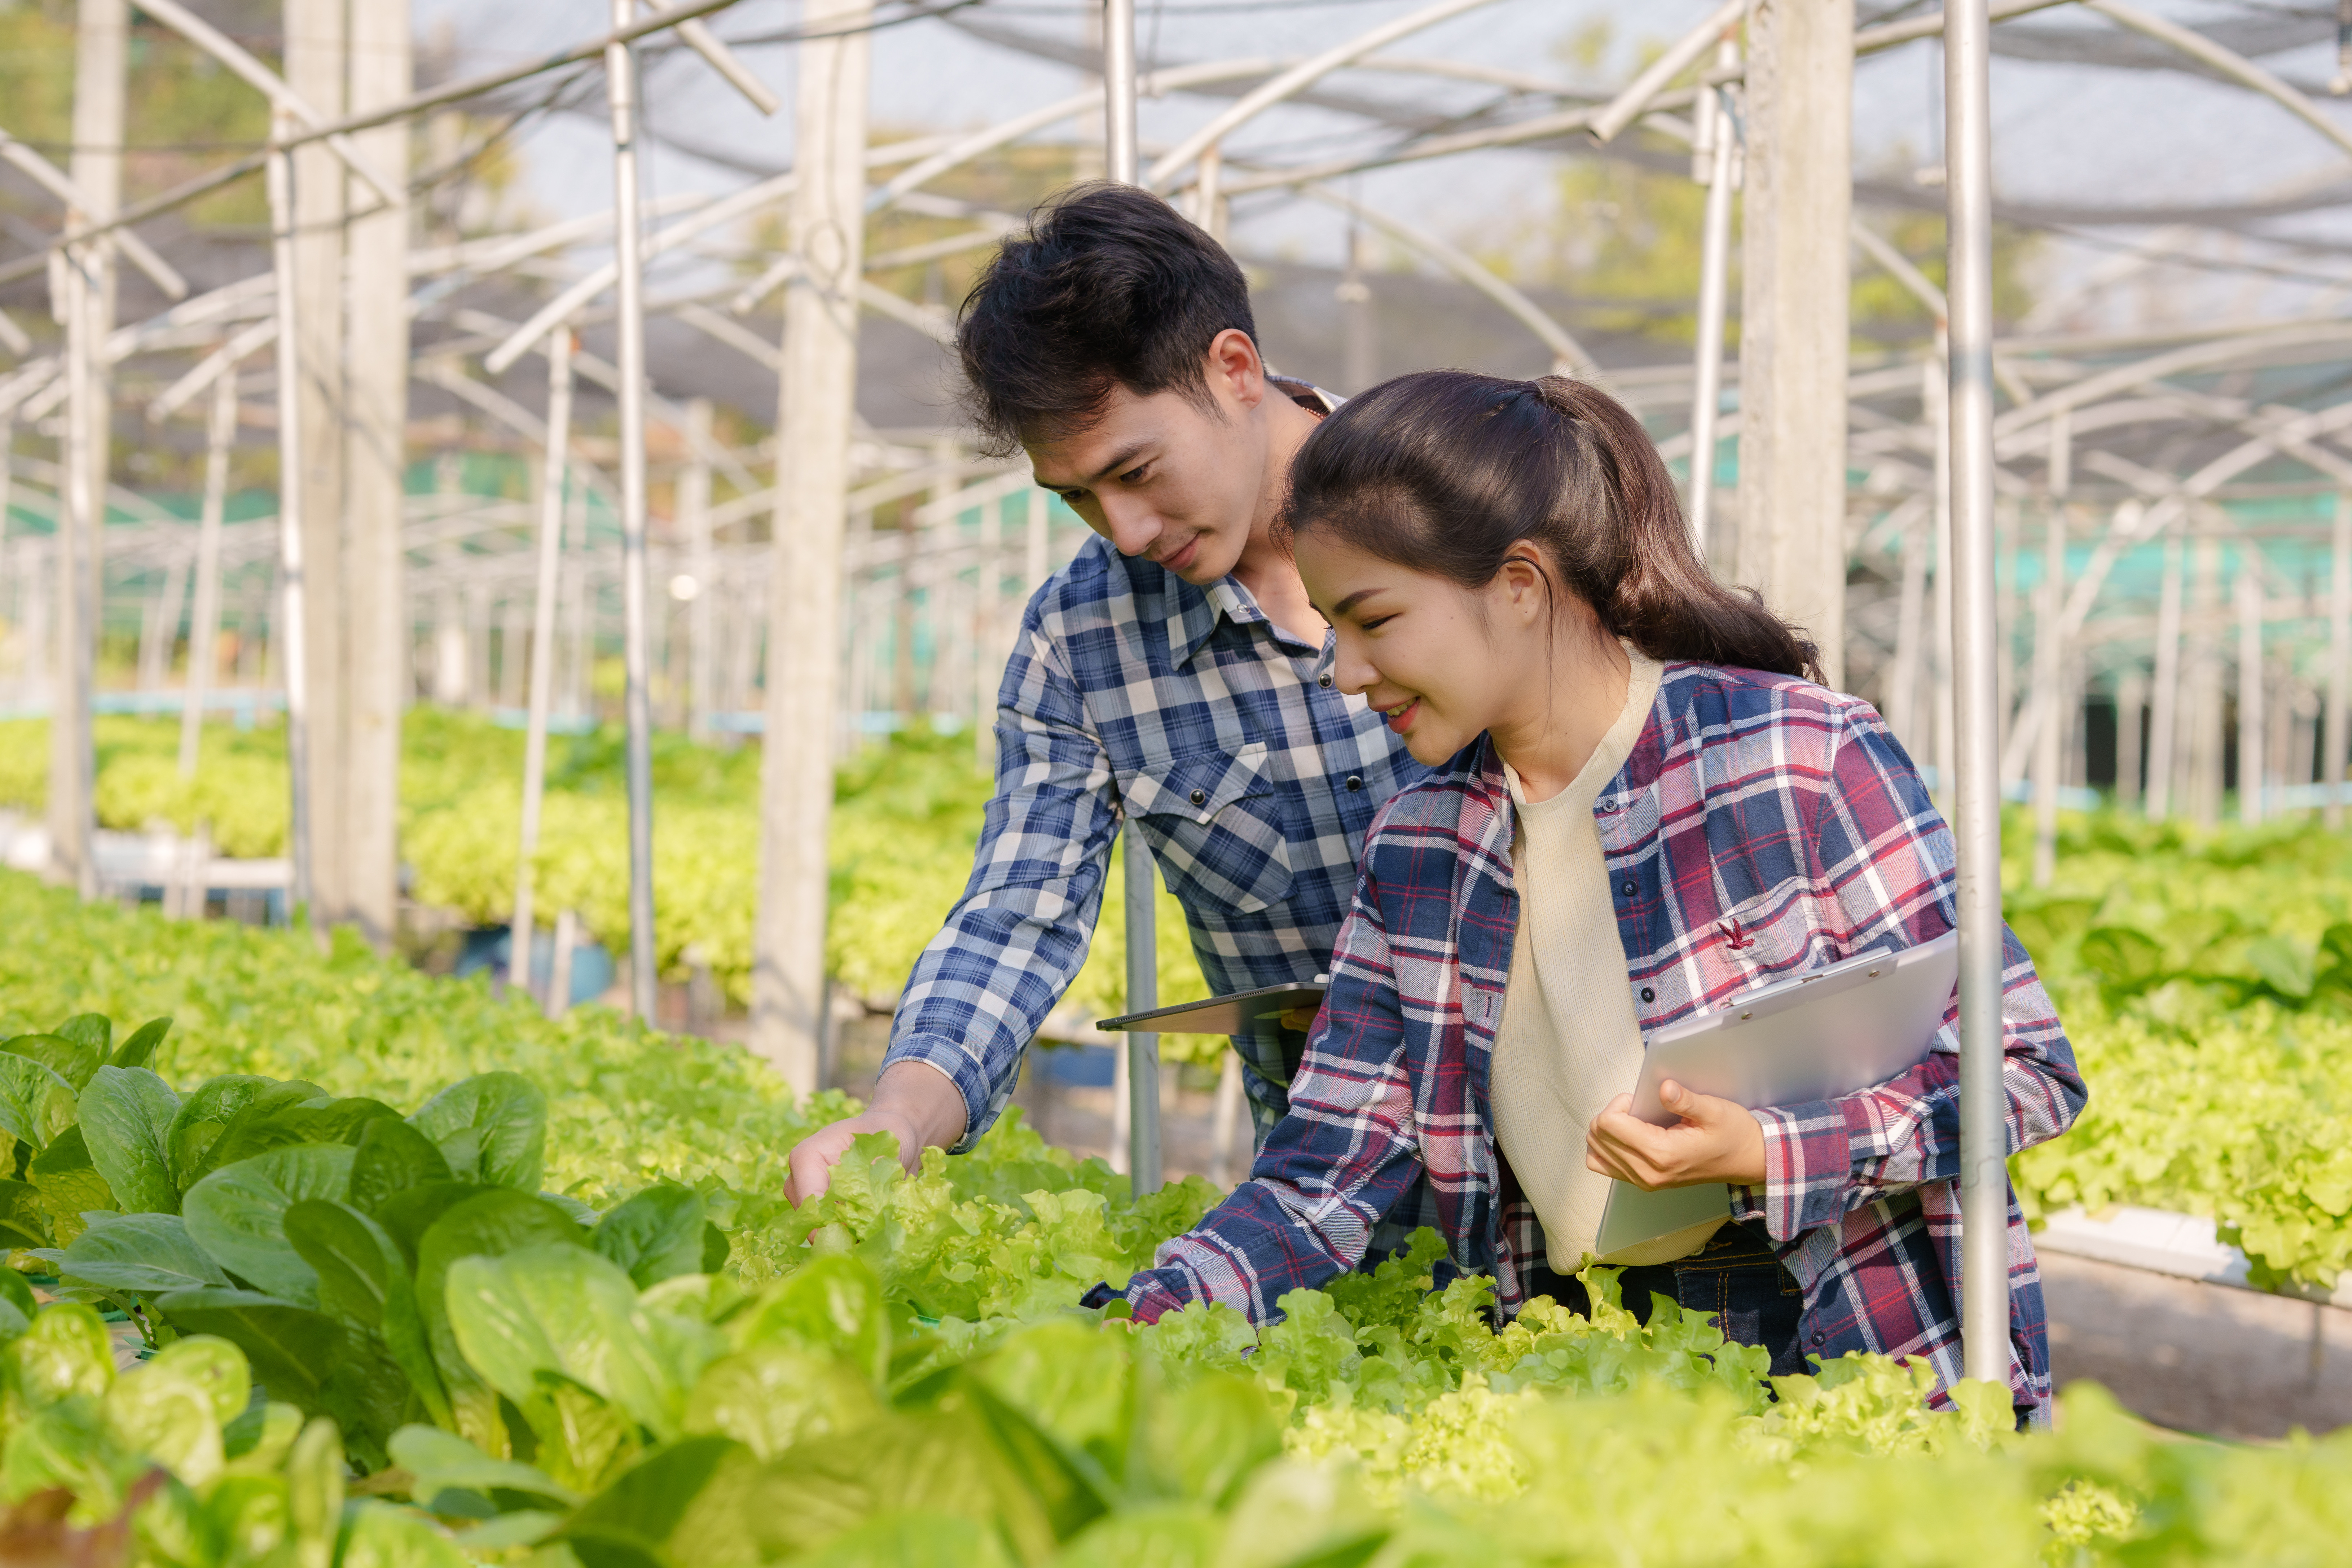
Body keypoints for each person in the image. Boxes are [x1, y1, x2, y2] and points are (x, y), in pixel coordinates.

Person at [1104, 370, 2087, 1421]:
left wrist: (1766, 1149)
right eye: (1331, 627)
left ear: (1520, 585)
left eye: (1373, 619)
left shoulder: (1794, 755)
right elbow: (1328, 1169)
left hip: (1822, 1321)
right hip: (1565, 1341)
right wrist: (1139, 1315)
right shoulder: (1420, 843)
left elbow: (2020, 1070)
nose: (1343, 671)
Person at [783, 184, 1429, 1212]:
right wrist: (899, 1113)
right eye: (1077, 496)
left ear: (1233, 370)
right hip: (1338, 1207)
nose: (1123, 530)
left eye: (1135, 470)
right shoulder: (1082, 641)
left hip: (1609, 1165)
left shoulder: (1471, 495)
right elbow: (1018, 914)